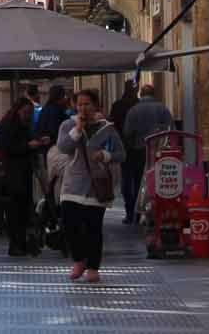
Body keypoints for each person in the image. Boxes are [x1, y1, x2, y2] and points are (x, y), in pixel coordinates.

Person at [53, 89, 120, 283]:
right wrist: (77, 130)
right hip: (72, 184)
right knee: (70, 225)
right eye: (79, 104)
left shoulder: (106, 128)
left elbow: (121, 154)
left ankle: (93, 266)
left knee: (93, 228)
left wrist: (105, 156)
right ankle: (79, 260)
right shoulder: (68, 125)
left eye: (87, 104)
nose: (83, 108)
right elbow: (63, 148)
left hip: (96, 185)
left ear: (96, 105)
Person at [120, 81, 175, 226]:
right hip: (158, 152)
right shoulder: (163, 109)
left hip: (138, 151)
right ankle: (156, 212)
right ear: (154, 94)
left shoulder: (133, 110)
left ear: (141, 94)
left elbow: (127, 132)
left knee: (139, 182)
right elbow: (171, 130)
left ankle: (138, 213)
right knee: (157, 181)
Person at [0, 94, 41, 256]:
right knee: (15, 210)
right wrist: (28, 145)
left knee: (22, 209)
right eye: (26, 112)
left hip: (23, 171)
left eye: (30, 113)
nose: (28, 116)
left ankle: (20, 242)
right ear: (18, 111)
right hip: (13, 173)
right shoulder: (9, 125)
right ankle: (16, 243)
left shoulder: (23, 125)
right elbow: (8, 148)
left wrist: (37, 142)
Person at [110, 82, 140, 224]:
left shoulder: (117, 105)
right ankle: (138, 212)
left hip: (124, 147)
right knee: (139, 180)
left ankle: (130, 212)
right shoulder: (139, 105)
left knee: (127, 180)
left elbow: (113, 126)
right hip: (141, 149)